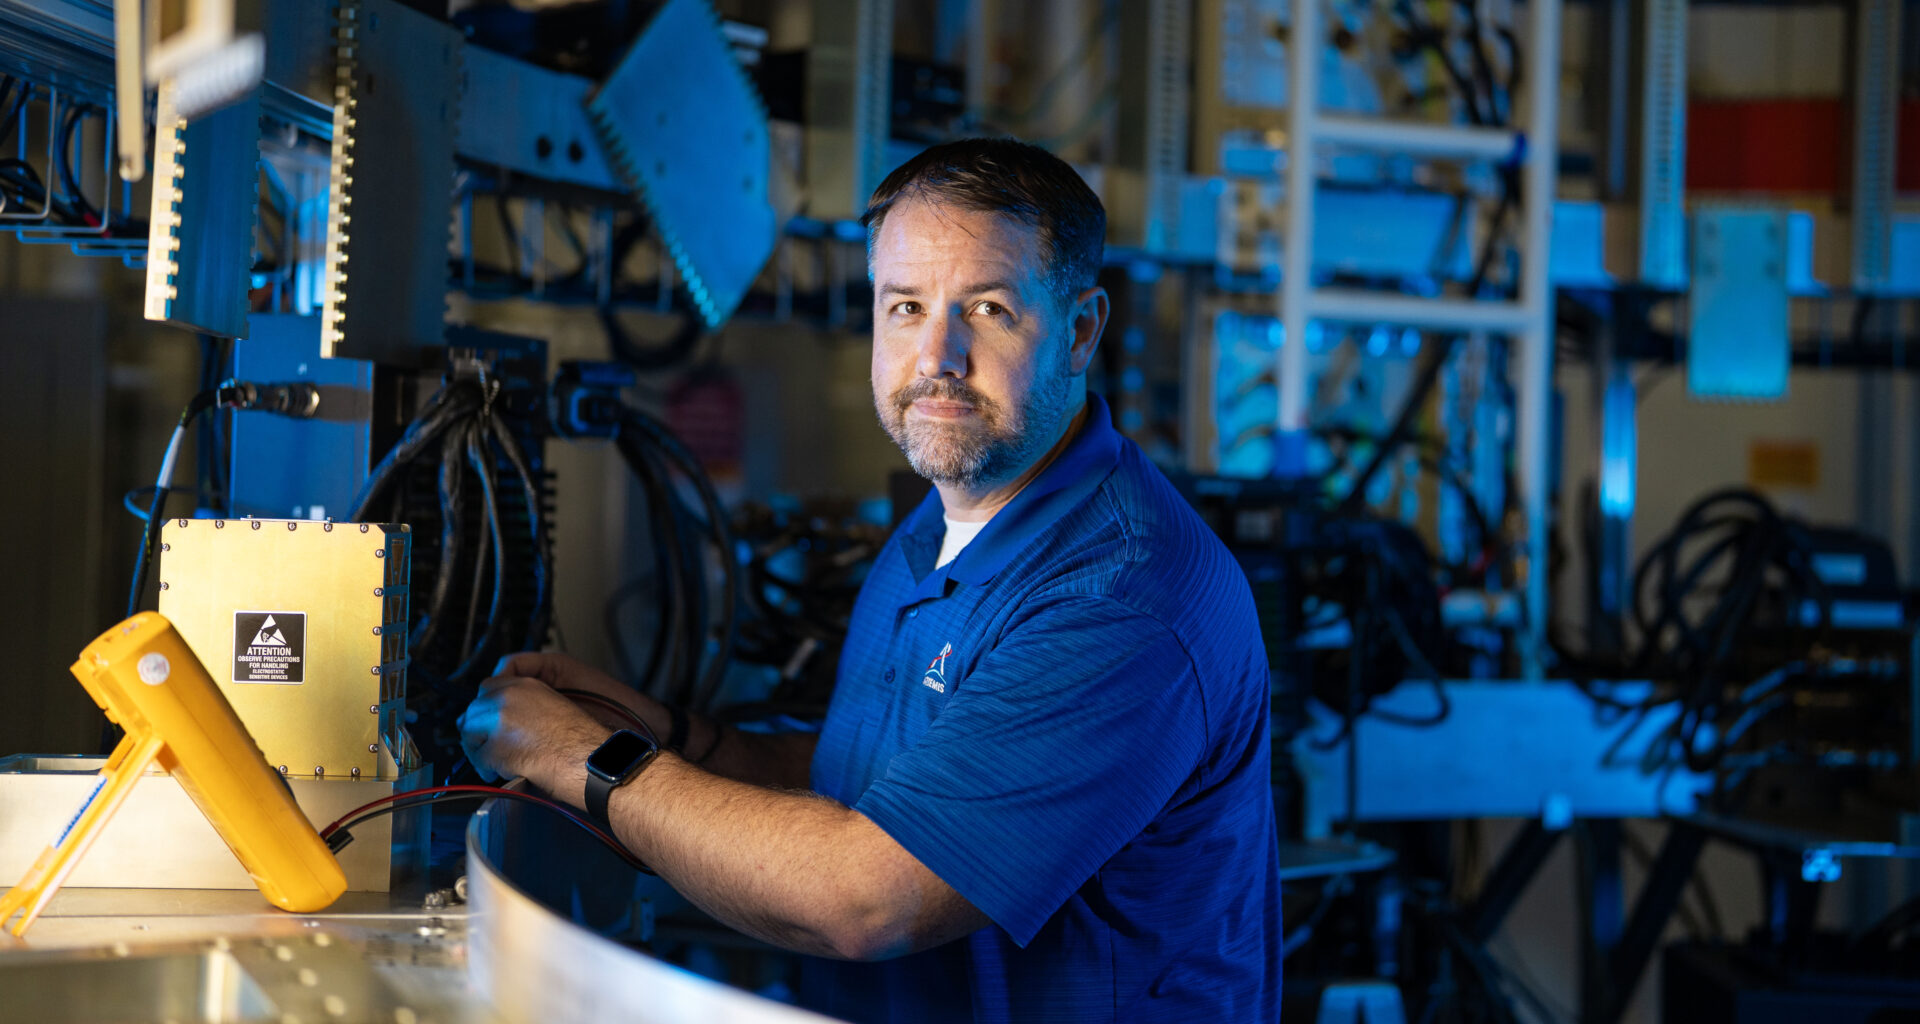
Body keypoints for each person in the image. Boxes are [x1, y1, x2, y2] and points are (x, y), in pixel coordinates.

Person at [459, 137, 1281, 1022]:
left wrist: (572, 754)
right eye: (906, 306)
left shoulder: (1121, 597)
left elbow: (866, 899)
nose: (937, 357)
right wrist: (669, 736)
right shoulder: (939, 525)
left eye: (990, 309)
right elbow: (880, 780)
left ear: (1080, 331)